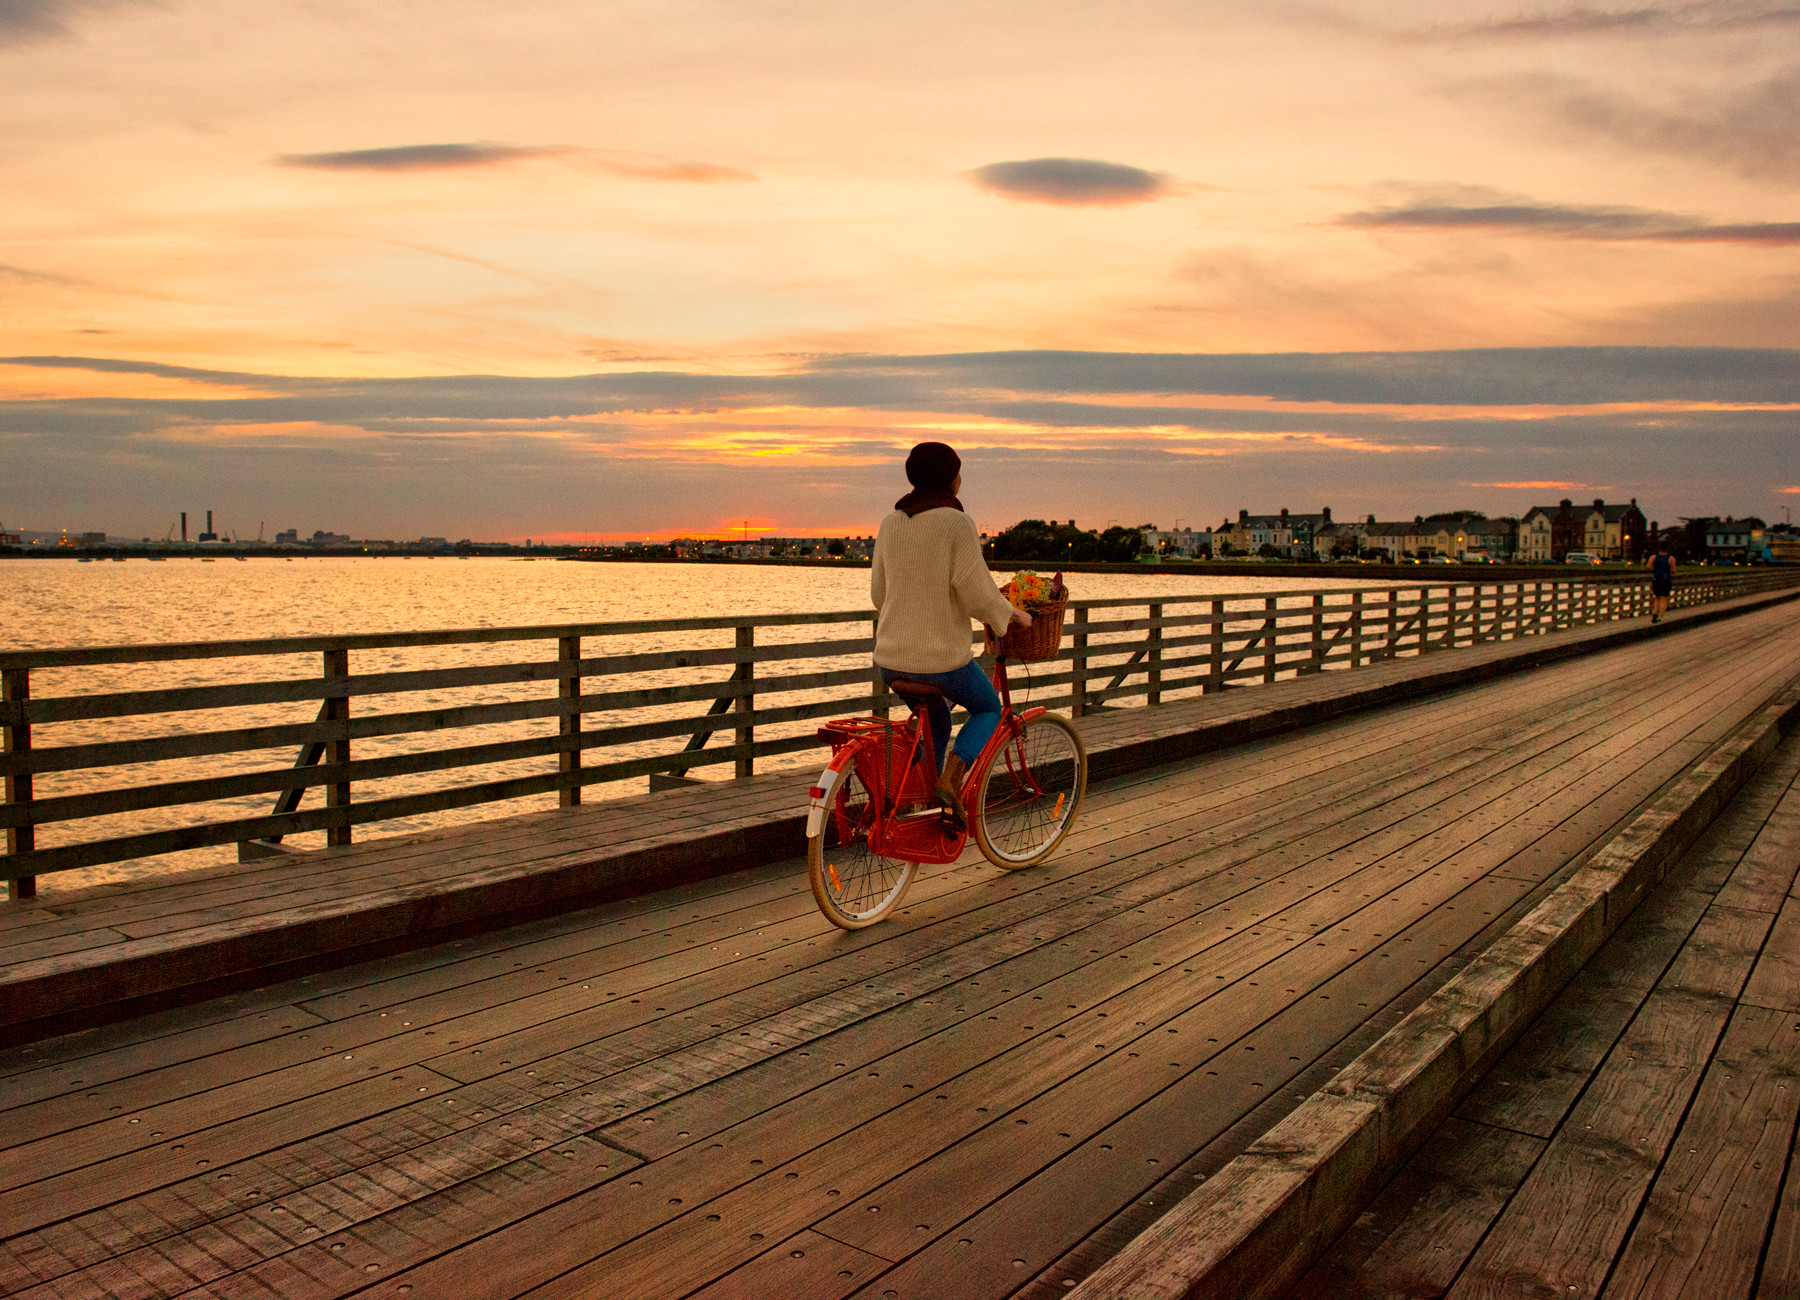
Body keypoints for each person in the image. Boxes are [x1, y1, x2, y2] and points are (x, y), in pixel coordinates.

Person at [871, 441, 1031, 830]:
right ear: (950, 479)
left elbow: (879, 594)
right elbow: (976, 591)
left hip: (889, 662)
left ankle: (920, 803)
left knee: (938, 721)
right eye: (959, 472)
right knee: (989, 708)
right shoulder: (957, 523)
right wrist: (1009, 616)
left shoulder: (891, 522)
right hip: (941, 663)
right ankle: (949, 784)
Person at [1649, 540, 1675, 623]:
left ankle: (1655, 611)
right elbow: (1673, 570)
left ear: (1659, 548)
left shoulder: (1654, 557)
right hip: (1665, 579)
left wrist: (1655, 569)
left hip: (1656, 579)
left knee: (1657, 597)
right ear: (1668, 548)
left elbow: (1648, 566)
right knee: (1664, 599)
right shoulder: (1671, 558)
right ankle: (1660, 617)